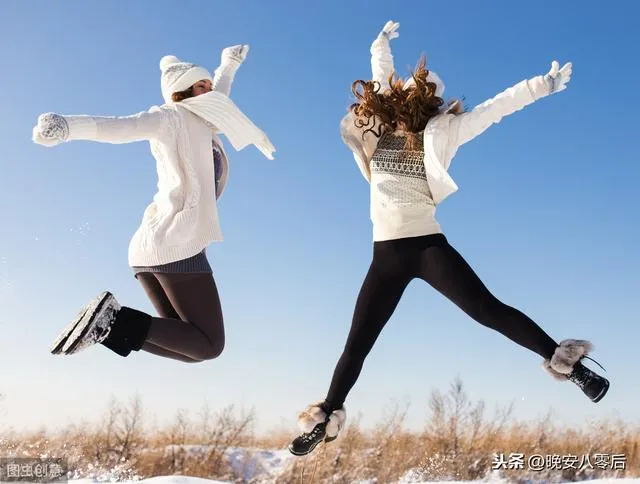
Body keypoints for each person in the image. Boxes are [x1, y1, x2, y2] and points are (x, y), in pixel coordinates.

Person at [288, 21, 609, 456]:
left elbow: (495, 108)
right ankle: (326, 416)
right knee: (359, 339)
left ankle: (571, 367)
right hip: (386, 254)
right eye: (421, 94)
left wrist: (540, 85)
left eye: (431, 96)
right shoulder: (381, 128)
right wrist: (379, 45)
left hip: (426, 247)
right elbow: (380, 78)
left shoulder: (443, 132)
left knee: (486, 310)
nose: (425, 100)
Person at [31, 45, 276, 362]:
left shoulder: (205, 123)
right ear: (181, 92)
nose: (210, 91)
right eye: (201, 86)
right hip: (175, 244)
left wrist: (228, 65)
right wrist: (66, 127)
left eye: (209, 86)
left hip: (153, 249)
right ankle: (114, 321)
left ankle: (110, 328)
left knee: (191, 352)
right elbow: (122, 127)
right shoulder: (170, 117)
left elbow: (221, 96)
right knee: (210, 345)